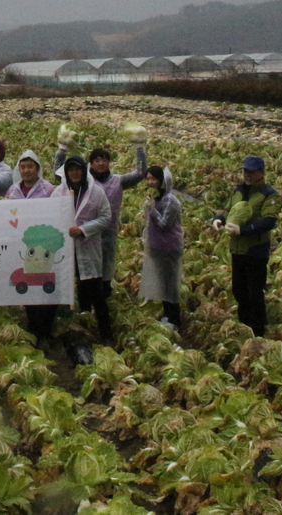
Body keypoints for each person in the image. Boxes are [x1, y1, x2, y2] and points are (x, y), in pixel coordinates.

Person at [56, 138, 147, 298]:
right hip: (83, 233)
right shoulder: (85, 182)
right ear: (90, 164)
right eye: (97, 160)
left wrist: (139, 148)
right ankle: (83, 298)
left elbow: (140, 173)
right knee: (82, 268)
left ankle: (104, 294)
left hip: (107, 231)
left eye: (104, 160)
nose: (101, 163)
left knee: (106, 267)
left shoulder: (118, 181)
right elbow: (60, 173)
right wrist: (62, 149)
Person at [52, 156, 113, 365]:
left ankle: (106, 335)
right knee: (67, 290)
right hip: (66, 249)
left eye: (78, 169)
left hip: (88, 248)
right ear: (66, 172)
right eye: (71, 170)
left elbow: (106, 217)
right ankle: (75, 330)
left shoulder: (96, 192)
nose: (74, 173)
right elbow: (50, 217)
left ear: (83, 171)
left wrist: (84, 229)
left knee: (95, 292)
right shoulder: (58, 192)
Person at [212, 156, 282, 337]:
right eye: (245, 171)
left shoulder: (270, 195)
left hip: (255, 249)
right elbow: (229, 212)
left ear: (262, 173)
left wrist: (243, 230)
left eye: (251, 172)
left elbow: (268, 221)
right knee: (238, 289)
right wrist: (218, 220)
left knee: (254, 291)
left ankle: (258, 331)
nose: (247, 175)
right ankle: (244, 326)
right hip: (237, 249)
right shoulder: (238, 191)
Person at [6, 150, 58, 349]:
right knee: (27, 285)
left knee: (46, 285)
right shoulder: (13, 191)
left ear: (37, 169)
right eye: (23, 167)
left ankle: (45, 330)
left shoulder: (49, 190)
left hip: (44, 245)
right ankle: (34, 328)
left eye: (30, 167)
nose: (26, 171)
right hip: (22, 245)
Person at [140, 166, 184, 330]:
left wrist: (151, 209)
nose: (150, 182)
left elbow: (164, 224)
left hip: (169, 248)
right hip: (156, 246)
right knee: (163, 284)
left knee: (170, 284)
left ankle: (175, 320)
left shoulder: (171, 201)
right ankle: (167, 315)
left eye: (154, 179)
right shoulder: (155, 198)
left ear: (161, 181)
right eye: (148, 179)